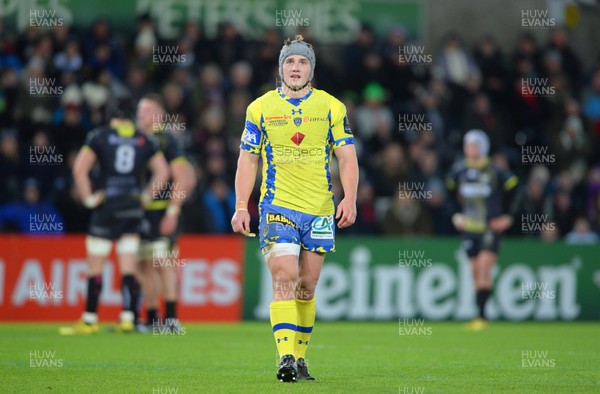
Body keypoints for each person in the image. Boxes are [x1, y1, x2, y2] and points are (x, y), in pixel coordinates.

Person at [231, 35, 358, 382]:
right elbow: (247, 160)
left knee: (307, 286)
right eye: (290, 62)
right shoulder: (259, 108)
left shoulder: (332, 107)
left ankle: (300, 359)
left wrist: (350, 198)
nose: (296, 67)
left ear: (311, 69)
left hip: (319, 210)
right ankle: (285, 356)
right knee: (284, 277)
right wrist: (242, 205)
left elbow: (347, 157)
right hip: (277, 207)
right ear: (281, 68)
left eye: (302, 62)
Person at [59, 97, 169, 335]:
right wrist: (146, 196)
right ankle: (128, 317)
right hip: (132, 206)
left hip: (107, 204)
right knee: (128, 264)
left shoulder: (99, 136)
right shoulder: (145, 139)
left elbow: (80, 168)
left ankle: (89, 319)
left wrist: (88, 198)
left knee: (95, 263)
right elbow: (162, 171)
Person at [446, 130, 517, 331]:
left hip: (489, 228)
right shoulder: (459, 170)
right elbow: (448, 192)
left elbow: (516, 190)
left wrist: (507, 216)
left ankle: (482, 316)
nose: (471, 149)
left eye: (475, 145)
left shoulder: (495, 171)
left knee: (485, 269)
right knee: (474, 271)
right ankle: (480, 315)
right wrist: (456, 215)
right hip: (469, 229)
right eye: (468, 145)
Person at [135, 93, 196, 331]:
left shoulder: (167, 140)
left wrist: (172, 211)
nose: (141, 115)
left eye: (147, 110)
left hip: (161, 210)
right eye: (140, 111)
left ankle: (171, 319)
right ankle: (152, 318)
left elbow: (183, 177)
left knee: (163, 261)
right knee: (143, 264)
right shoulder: (139, 140)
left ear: (159, 114)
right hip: (140, 211)